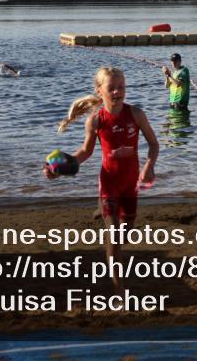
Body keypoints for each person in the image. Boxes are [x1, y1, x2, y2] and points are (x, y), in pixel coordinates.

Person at [48, 66, 159, 290]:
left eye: (122, 87)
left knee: (125, 232)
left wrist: (149, 166)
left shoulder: (136, 114)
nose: (118, 92)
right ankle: (118, 288)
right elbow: (86, 152)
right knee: (115, 234)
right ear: (99, 90)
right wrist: (59, 166)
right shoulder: (96, 120)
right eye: (112, 88)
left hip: (130, 184)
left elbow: (154, 144)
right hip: (108, 181)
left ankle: (102, 211)